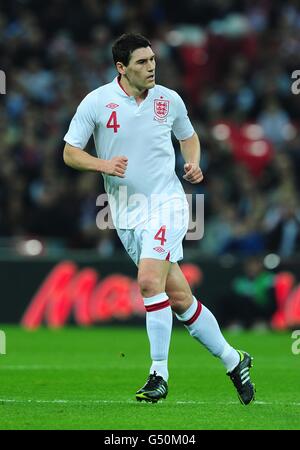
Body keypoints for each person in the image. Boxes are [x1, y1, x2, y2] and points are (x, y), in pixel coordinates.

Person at [63, 33, 255, 405]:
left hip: (167, 204)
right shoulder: (97, 102)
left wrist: (193, 161)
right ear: (121, 68)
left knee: (150, 281)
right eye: (141, 62)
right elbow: (70, 152)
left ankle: (158, 373)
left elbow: (189, 137)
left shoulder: (169, 99)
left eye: (152, 60)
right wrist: (103, 165)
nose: (151, 67)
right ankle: (235, 360)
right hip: (125, 215)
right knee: (180, 298)